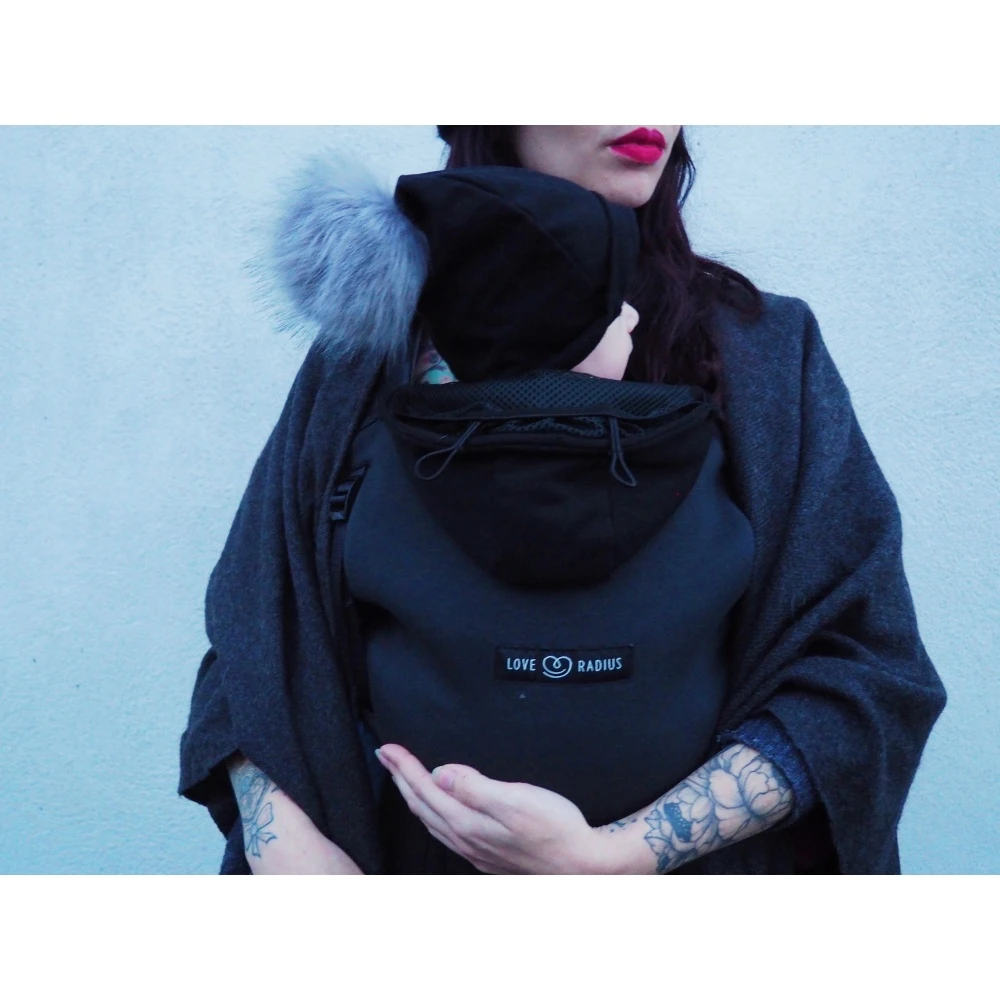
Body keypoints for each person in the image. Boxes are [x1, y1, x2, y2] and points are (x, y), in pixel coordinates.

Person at [179, 126, 947, 875]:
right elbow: (255, 631)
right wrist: (293, 855)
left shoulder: (766, 352)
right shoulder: (373, 349)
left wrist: (618, 856)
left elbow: (867, 668)